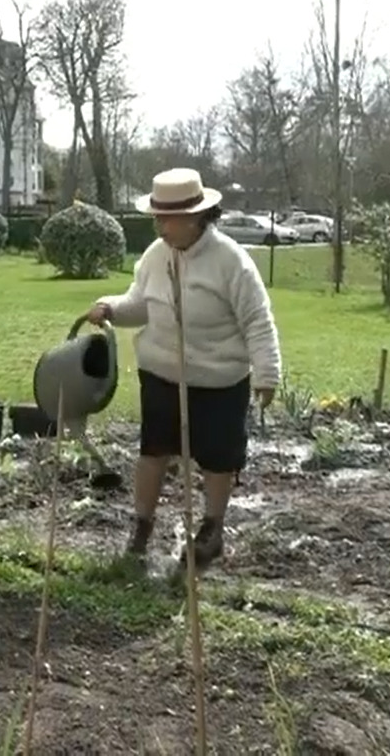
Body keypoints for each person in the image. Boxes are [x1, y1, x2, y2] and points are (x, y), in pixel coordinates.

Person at [87, 168, 282, 571]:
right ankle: (141, 527)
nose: (158, 225)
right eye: (156, 216)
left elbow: (258, 321)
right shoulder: (156, 257)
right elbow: (139, 303)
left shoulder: (232, 262)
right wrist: (109, 308)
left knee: (217, 458)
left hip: (218, 379)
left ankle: (212, 529)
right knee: (153, 451)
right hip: (160, 373)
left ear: (196, 217)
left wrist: (266, 373)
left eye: (165, 217)